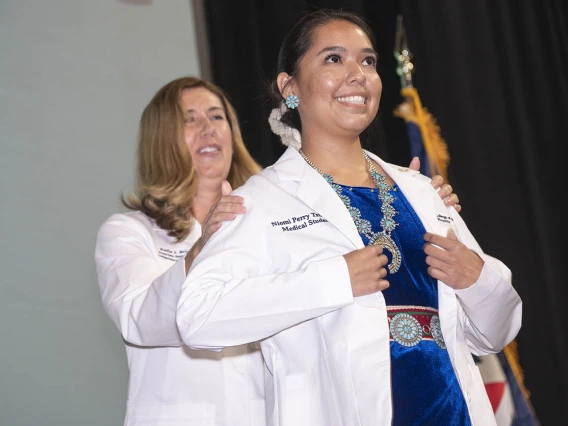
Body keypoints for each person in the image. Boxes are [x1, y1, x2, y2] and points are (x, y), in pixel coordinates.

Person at [176, 9, 522, 426]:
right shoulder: (262, 200)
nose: (358, 73)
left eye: (369, 60)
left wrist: (477, 278)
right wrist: (333, 280)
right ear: (289, 87)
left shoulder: (419, 191)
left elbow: (494, 334)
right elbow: (198, 316)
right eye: (333, 59)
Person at [94, 75, 461, 426]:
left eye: (217, 117)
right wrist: (203, 246)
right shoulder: (129, 232)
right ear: (161, 140)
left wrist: (410, 197)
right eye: (189, 120)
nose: (208, 129)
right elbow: (140, 320)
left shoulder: (276, 211)